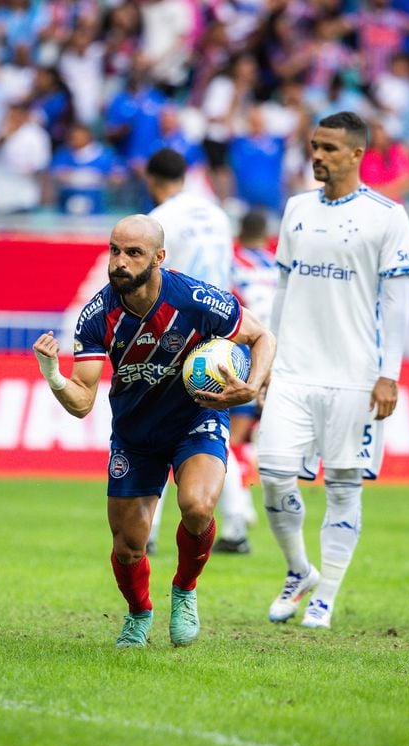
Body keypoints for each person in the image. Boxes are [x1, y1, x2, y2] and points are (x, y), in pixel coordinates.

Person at [32, 214, 275, 647]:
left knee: (198, 507)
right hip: (135, 435)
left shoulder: (198, 299)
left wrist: (251, 388)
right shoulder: (97, 315)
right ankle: (139, 612)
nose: (119, 262)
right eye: (114, 250)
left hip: (195, 421)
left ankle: (184, 589)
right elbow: (83, 401)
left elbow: (262, 338)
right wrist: (53, 375)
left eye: (133, 253)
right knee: (128, 545)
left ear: (159, 258)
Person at [259, 111, 409, 630]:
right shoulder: (296, 208)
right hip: (293, 372)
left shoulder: (387, 216)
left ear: (355, 155)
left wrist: (388, 373)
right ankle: (299, 570)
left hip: (355, 375)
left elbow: (396, 304)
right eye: (314, 146)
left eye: (328, 148)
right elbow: (281, 288)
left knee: (344, 485)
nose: (317, 156)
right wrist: (268, 358)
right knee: (275, 477)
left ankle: (325, 596)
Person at [141, 148, 240, 556]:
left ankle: (147, 530)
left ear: (151, 179)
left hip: (177, 331)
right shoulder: (215, 213)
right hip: (219, 331)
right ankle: (236, 525)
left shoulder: (158, 220)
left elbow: (155, 283)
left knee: (157, 428)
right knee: (210, 423)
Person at [215, 209, 281, 554]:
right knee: (249, 439)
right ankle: (243, 508)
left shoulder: (231, 263)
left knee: (232, 439)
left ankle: (237, 516)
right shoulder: (275, 265)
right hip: (277, 359)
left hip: (241, 361)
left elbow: (229, 311)